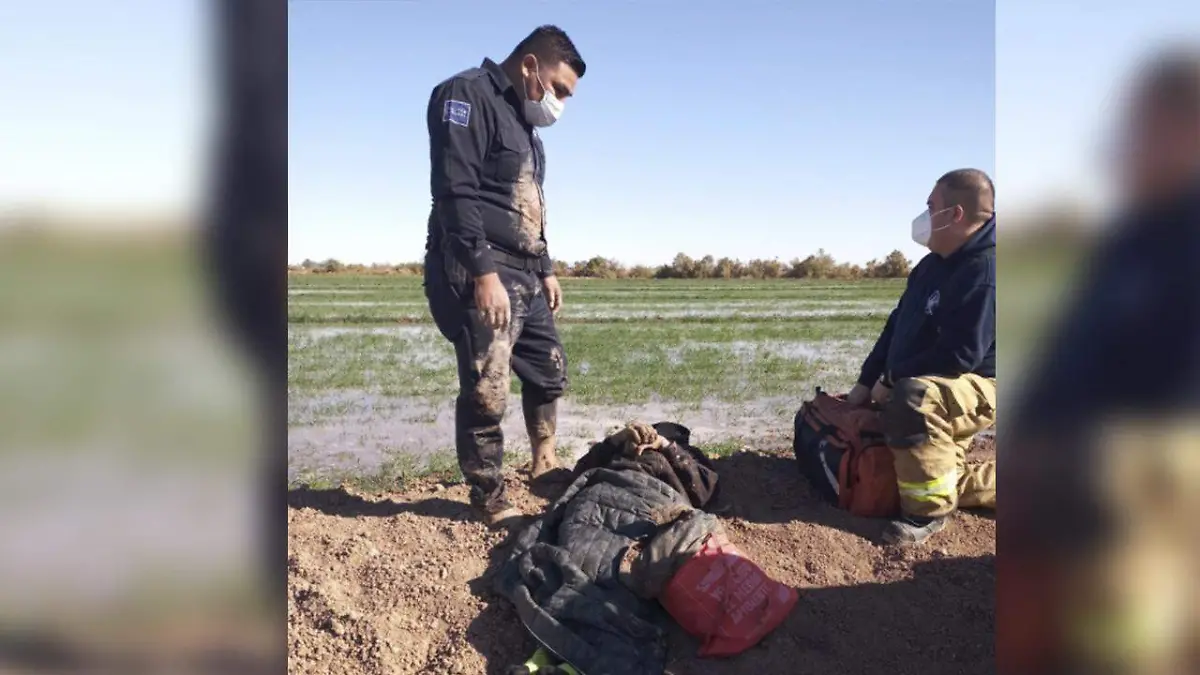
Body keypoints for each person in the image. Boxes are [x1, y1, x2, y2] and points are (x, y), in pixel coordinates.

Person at [423, 26, 585, 528]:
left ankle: (543, 464)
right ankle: (488, 495)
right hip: (480, 267)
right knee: (486, 387)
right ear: (530, 65)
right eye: (558, 88)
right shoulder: (466, 95)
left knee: (549, 368)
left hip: (525, 272)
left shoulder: (524, 125)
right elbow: (456, 191)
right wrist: (482, 272)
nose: (558, 102)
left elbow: (528, 204)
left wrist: (546, 267)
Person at [846, 168, 997, 545]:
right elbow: (896, 326)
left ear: (955, 215)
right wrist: (866, 382)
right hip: (937, 383)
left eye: (931, 207)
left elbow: (962, 355)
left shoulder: (986, 270)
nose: (924, 216)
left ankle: (927, 514)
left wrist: (892, 379)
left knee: (914, 397)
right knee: (940, 475)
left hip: (981, 384)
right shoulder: (930, 266)